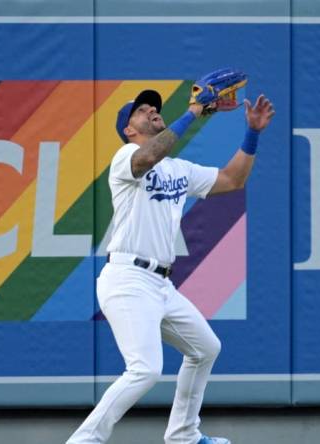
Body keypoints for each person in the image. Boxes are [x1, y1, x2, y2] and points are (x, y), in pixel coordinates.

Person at [66, 88, 275, 444]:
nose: (151, 111)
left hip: (161, 284)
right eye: (141, 110)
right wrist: (192, 113)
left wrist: (252, 133)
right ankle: (84, 441)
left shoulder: (178, 168)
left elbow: (232, 180)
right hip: (127, 278)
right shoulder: (126, 156)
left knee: (205, 348)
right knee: (145, 370)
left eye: (153, 108)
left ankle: (183, 435)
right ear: (128, 130)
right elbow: (148, 158)